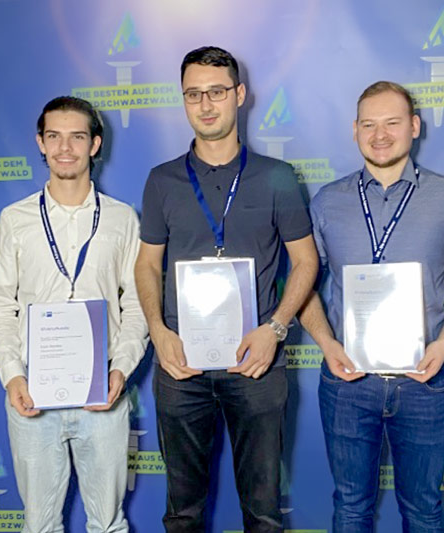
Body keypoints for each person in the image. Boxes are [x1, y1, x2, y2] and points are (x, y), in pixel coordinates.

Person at [134, 46, 319, 532]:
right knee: (182, 513)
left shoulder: (278, 177)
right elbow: (147, 265)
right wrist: (158, 331)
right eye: (193, 94)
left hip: (256, 363)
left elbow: (306, 261)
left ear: (239, 95)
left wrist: (275, 329)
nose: (205, 104)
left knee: (262, 513)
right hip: (181, 363)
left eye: (216, 92)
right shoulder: (162, 180)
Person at [299, 81, 444, 532]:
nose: (380, 134)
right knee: (351, 508)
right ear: (354, 130)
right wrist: (326, 343)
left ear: (414, 126)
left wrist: (443, 345)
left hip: (424, 381)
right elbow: (301, 283)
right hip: (347, 381)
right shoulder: (327, 201)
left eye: (391, 122)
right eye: (369, 124)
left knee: (423, 510)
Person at [0, 96, 148, 533]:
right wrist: (13, 376)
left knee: (107, 524)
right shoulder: (15, 219)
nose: (65, 148)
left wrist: (121, 369)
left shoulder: (122, 219)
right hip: (33, 396)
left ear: (95, 144)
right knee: (39, 526)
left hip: (103, 395)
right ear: (40, 142)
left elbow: (138, 304)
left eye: (77, 137)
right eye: (54, 137)